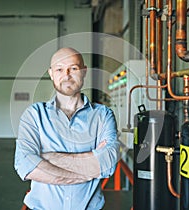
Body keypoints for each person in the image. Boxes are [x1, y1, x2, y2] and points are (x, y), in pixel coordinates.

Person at [14, 47, 120, 210]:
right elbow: (25, 165)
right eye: (59, 69)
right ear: (51, 73)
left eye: (74, 68)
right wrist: (90, 162)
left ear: (84, 72)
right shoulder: (34, 115)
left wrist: (46, 158)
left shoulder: (103, 116)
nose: (67, 75)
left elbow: (108, 163)